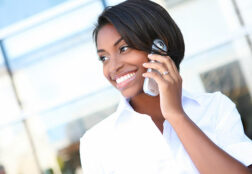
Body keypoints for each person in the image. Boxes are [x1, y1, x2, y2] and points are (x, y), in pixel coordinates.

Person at [79, 0, 252, 173]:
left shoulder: (215, 107)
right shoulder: (95, 142)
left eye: (123, 48)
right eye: (104, 58)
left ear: (159, 47)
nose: (113, 67)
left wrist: (176, 115)